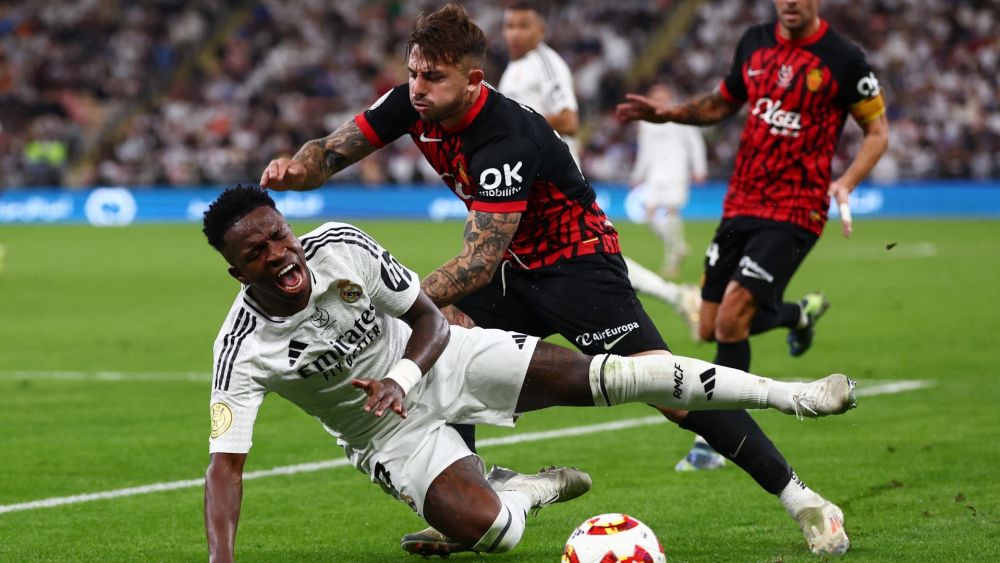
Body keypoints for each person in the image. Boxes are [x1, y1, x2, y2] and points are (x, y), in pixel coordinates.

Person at [259, 4, 854, 556]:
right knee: (437, 352)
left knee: (667, 393)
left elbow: (476, 264)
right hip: (515, 269)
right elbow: (332, 151)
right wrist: (296, 170)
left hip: (577, 267)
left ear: (473, 81)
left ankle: (803, 499)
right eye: (413, 73)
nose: (417, 88)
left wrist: (388, 300)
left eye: (432, 77)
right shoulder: (412, 104)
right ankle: (470, 507)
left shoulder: (504, 138)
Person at [202, 186, 857, 561]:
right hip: (387, 438)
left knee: (619, 376)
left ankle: (794, 395)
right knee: (496, 532)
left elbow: (431, 319)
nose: (280, 254)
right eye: (257, 253)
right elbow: (224, 467)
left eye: (279, 236)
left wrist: (402, 374)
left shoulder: (341, 245)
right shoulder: (240, 350)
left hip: (443, 360)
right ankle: (523, 489)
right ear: (238, 272)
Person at [617, 0, 889, 474]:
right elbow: (723, 101)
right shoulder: (754, 42)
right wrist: (671, 114)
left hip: (795, 208)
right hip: (741, 201)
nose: (789, 3)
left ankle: (720, 437)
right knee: (707, 324)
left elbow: (877, 131)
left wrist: (846, 181)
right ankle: (796, 314)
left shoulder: (844, 59)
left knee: (730, 322)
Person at [496, 0, 702, 336]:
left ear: (541, 30)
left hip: (552, 181)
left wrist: (514, 123)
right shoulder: (513, 69)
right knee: (542, 256)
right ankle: (675, 296)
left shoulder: (547, 64)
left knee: (576, 257)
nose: (514, 34)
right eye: (509, 26)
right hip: (527, 180)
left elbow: (569, 119)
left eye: (523, 26)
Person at [629, 83, 707, 280]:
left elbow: (695, 143)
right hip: (655, 175)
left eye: (662, 97)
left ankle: (671, 264)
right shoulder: (646, 121)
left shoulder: (679, 115)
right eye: (655, 97)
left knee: (671, 213)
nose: (659, 101)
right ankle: (679, 246)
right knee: (649, 216)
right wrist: (637, 174)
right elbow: (644, 151)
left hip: (677, 172)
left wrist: (699, 168)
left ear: (670, 97)